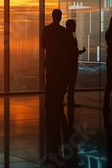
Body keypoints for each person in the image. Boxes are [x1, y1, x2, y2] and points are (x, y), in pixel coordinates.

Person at [41, 9, 68, 156]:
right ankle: (56, 103)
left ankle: (48, 102)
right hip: (57, 60)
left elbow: (43, 45)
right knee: (58, 83)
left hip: (50, 59)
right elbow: (64, 49)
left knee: (49, 81)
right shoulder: (63, 31)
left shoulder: (46, 29)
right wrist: (64, 62)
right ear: (60, 17)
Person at [65, 19, 86, 106]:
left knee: (70, 82)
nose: (75, 27)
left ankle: (69, 101)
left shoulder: (70, 36)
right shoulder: (68, 37)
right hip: (70, 64)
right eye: (74, 26)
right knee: (70, 82)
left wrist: (80, 51)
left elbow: (73, 51)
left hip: (71, 63)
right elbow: (70, 51)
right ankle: (69, 101)